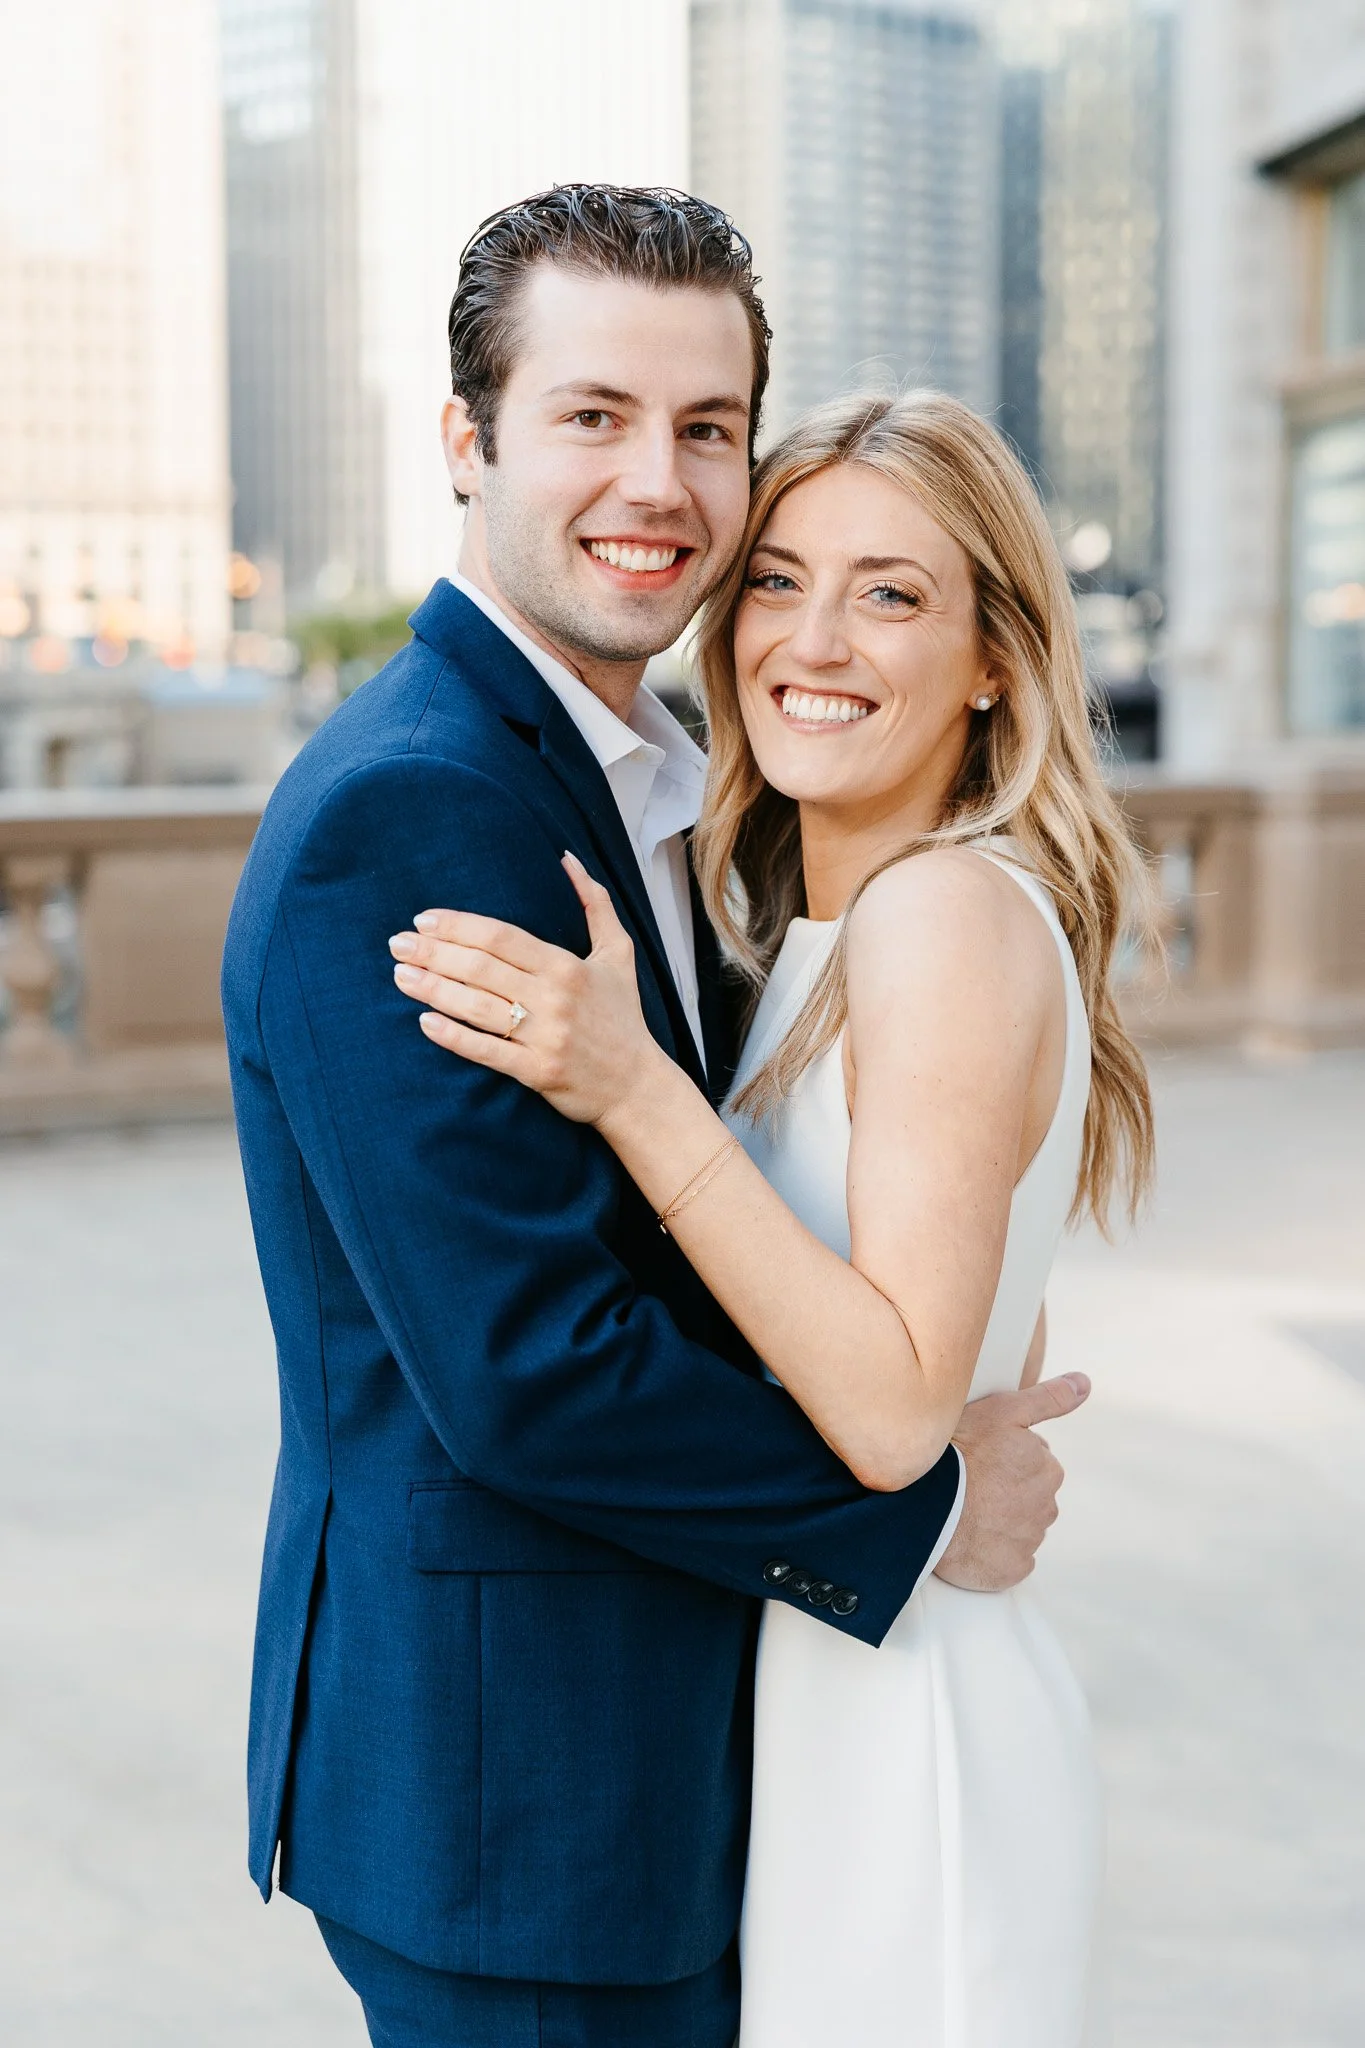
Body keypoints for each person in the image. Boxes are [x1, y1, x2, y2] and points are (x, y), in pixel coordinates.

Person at [222, 185, 1089, 2048]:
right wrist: (922, 1514)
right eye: (594, 416)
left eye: (708, 431)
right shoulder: (417, 808)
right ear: (466, 441)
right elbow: (530, 1363)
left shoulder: (679, 801)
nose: (662, 485)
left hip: (677, 1768)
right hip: (524, 1791)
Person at [390, 385, 1158, 2045]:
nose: (815, 637)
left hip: (908, 1740)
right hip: (830, 1688)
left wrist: (635, 1088)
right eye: (780, 580)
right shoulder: (831, 926)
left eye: (892, 592)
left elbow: (891, 1416)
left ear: (995, 659)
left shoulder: (942, 914)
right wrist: (965, 1456)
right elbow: (975, 1347)